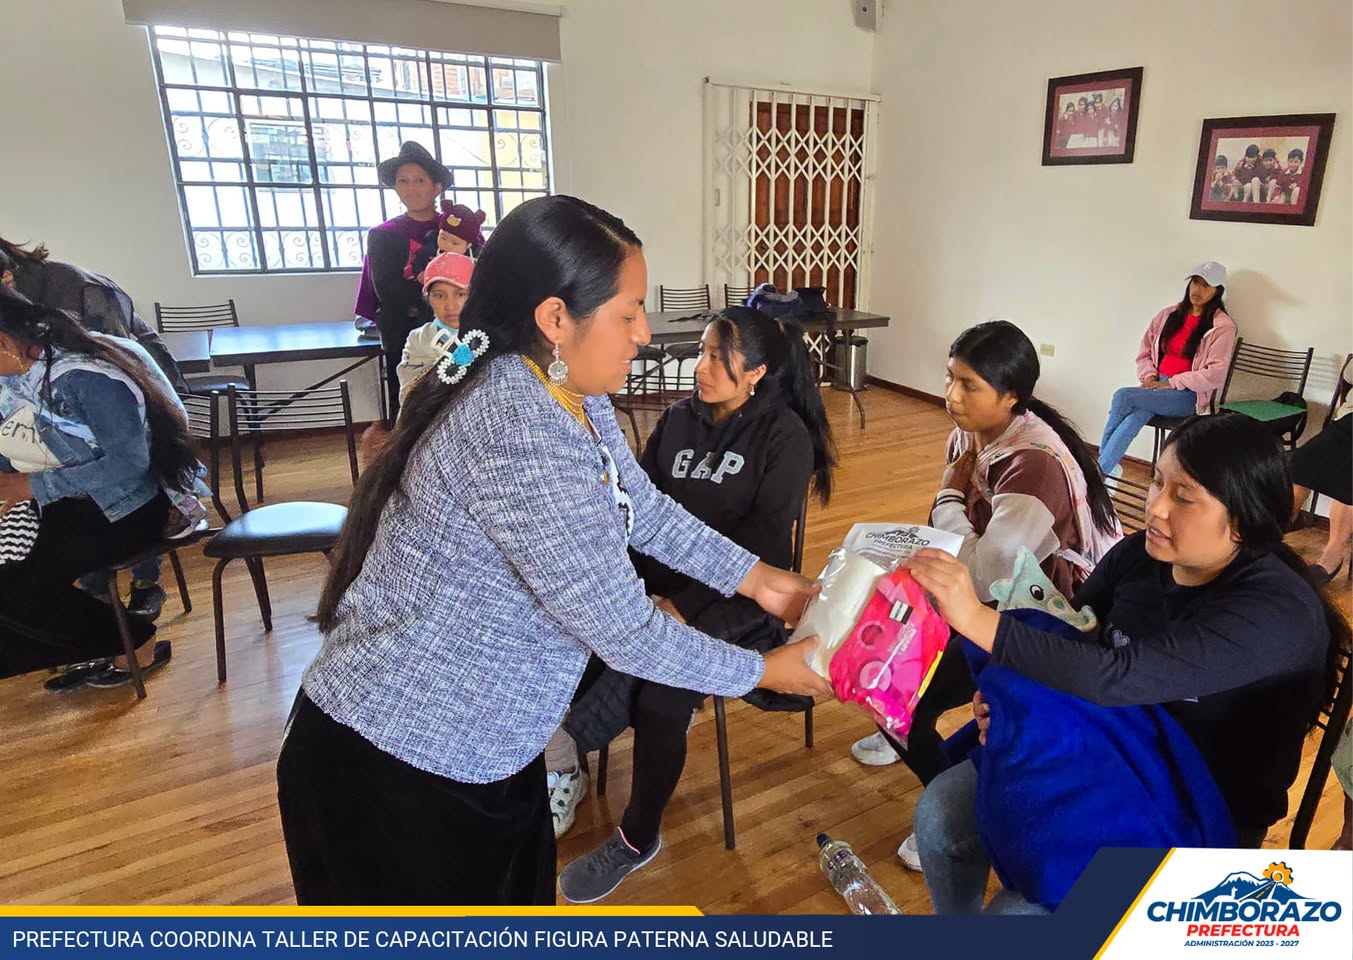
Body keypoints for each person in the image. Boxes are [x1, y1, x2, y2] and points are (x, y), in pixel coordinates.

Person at [275, 195, 831, 906]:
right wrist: (762, 669)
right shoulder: (520, 428)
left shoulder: (565, 386)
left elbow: (643, 509)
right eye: (628, 311)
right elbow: (624, 630)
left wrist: (758, 579)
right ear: (556, 318)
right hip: (399, 765)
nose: (645, 333)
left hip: (482, 748)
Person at [906, 413, 1346, 914]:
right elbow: (1075, 632)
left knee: (1016, 914)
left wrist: (973, 616)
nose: (1154, 507)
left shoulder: (1273, 613)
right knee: (941, 817)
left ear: (1242, 519)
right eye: (1158, 481)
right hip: (1107, 743)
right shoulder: (1141, 556)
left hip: (1200, 805)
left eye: (1184, 496)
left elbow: (1116, 675)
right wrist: (1006, 696)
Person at [556, 306, 838, 903]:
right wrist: (624, 588)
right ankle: (564, 758)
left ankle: (636, 836)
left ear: (756, 371)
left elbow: (763, 544)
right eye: (703, 351)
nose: (700, 366)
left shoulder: (784, 436)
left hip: (738, 594)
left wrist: (681, 605)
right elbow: (639, 510)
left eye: (717, 356)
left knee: (665, 688)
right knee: (578, 635)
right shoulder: (681, 419)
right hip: (657, 587)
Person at [852, 319, 1122, 869]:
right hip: (984, 601)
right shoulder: (974, 434)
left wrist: (949, 490)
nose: (951, 396)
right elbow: (960, 544)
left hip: (1043, 617)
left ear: (1011, 396)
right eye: (950, 378)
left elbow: (983, 572)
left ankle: (951, 809)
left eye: (968, 385)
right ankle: (914, 730)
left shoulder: (1034, 465)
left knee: (898, 698)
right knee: (886, 666)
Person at [0, 287, 202, 687]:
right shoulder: (17, 379)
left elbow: (129, 466)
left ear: (5, 342)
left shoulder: (86, 377)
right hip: (69, 503)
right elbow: (13, 445)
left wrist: (30, 487)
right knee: (11, 582)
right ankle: (105, 643)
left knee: (19, 588)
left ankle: (134, 641)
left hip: (130, 509)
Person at [0, 238, 187, 620]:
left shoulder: (77, 295)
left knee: (75, 548)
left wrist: (33, 486)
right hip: (76, 474)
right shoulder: (20, 355)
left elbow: (125, 448)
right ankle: (98, 611)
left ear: (6, 278)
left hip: (128, 458)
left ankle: (140, 585)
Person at [1097, 261, 1237, 476]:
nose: (1197, 290)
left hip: (1189, 395)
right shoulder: (1168, 315)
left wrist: (1171, 383)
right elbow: (1145, 351)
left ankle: (1096, 470)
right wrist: (1150, 376)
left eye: (1206, 285)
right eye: (1195, 282)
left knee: (1123, 396)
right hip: (1157, 386)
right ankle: (1104, 470)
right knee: (1135, 415)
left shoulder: (1222, 327)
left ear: (1217, 291)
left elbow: (1215, 375)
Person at [352, 141, 450, 419]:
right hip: (405, 332)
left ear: (436, 187)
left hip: (457, 328)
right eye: (403, 181)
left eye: (420, 180)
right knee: (409, 402)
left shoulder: (456, 229)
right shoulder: (383, 235)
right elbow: (388, 290)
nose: (411, 188)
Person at [1289, 360, 1352, 584]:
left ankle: (1333, 556)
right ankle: (1273, 537)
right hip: (1349, 420)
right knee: (1300, 463)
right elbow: (1350, 375)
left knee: (1348, 476)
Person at [395, 252, 473, 406]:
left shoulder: (487, 336)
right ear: (428, 299)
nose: (450, 305)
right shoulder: (418, 339)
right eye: (439, 296)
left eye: (460, 294)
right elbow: (408, 396)